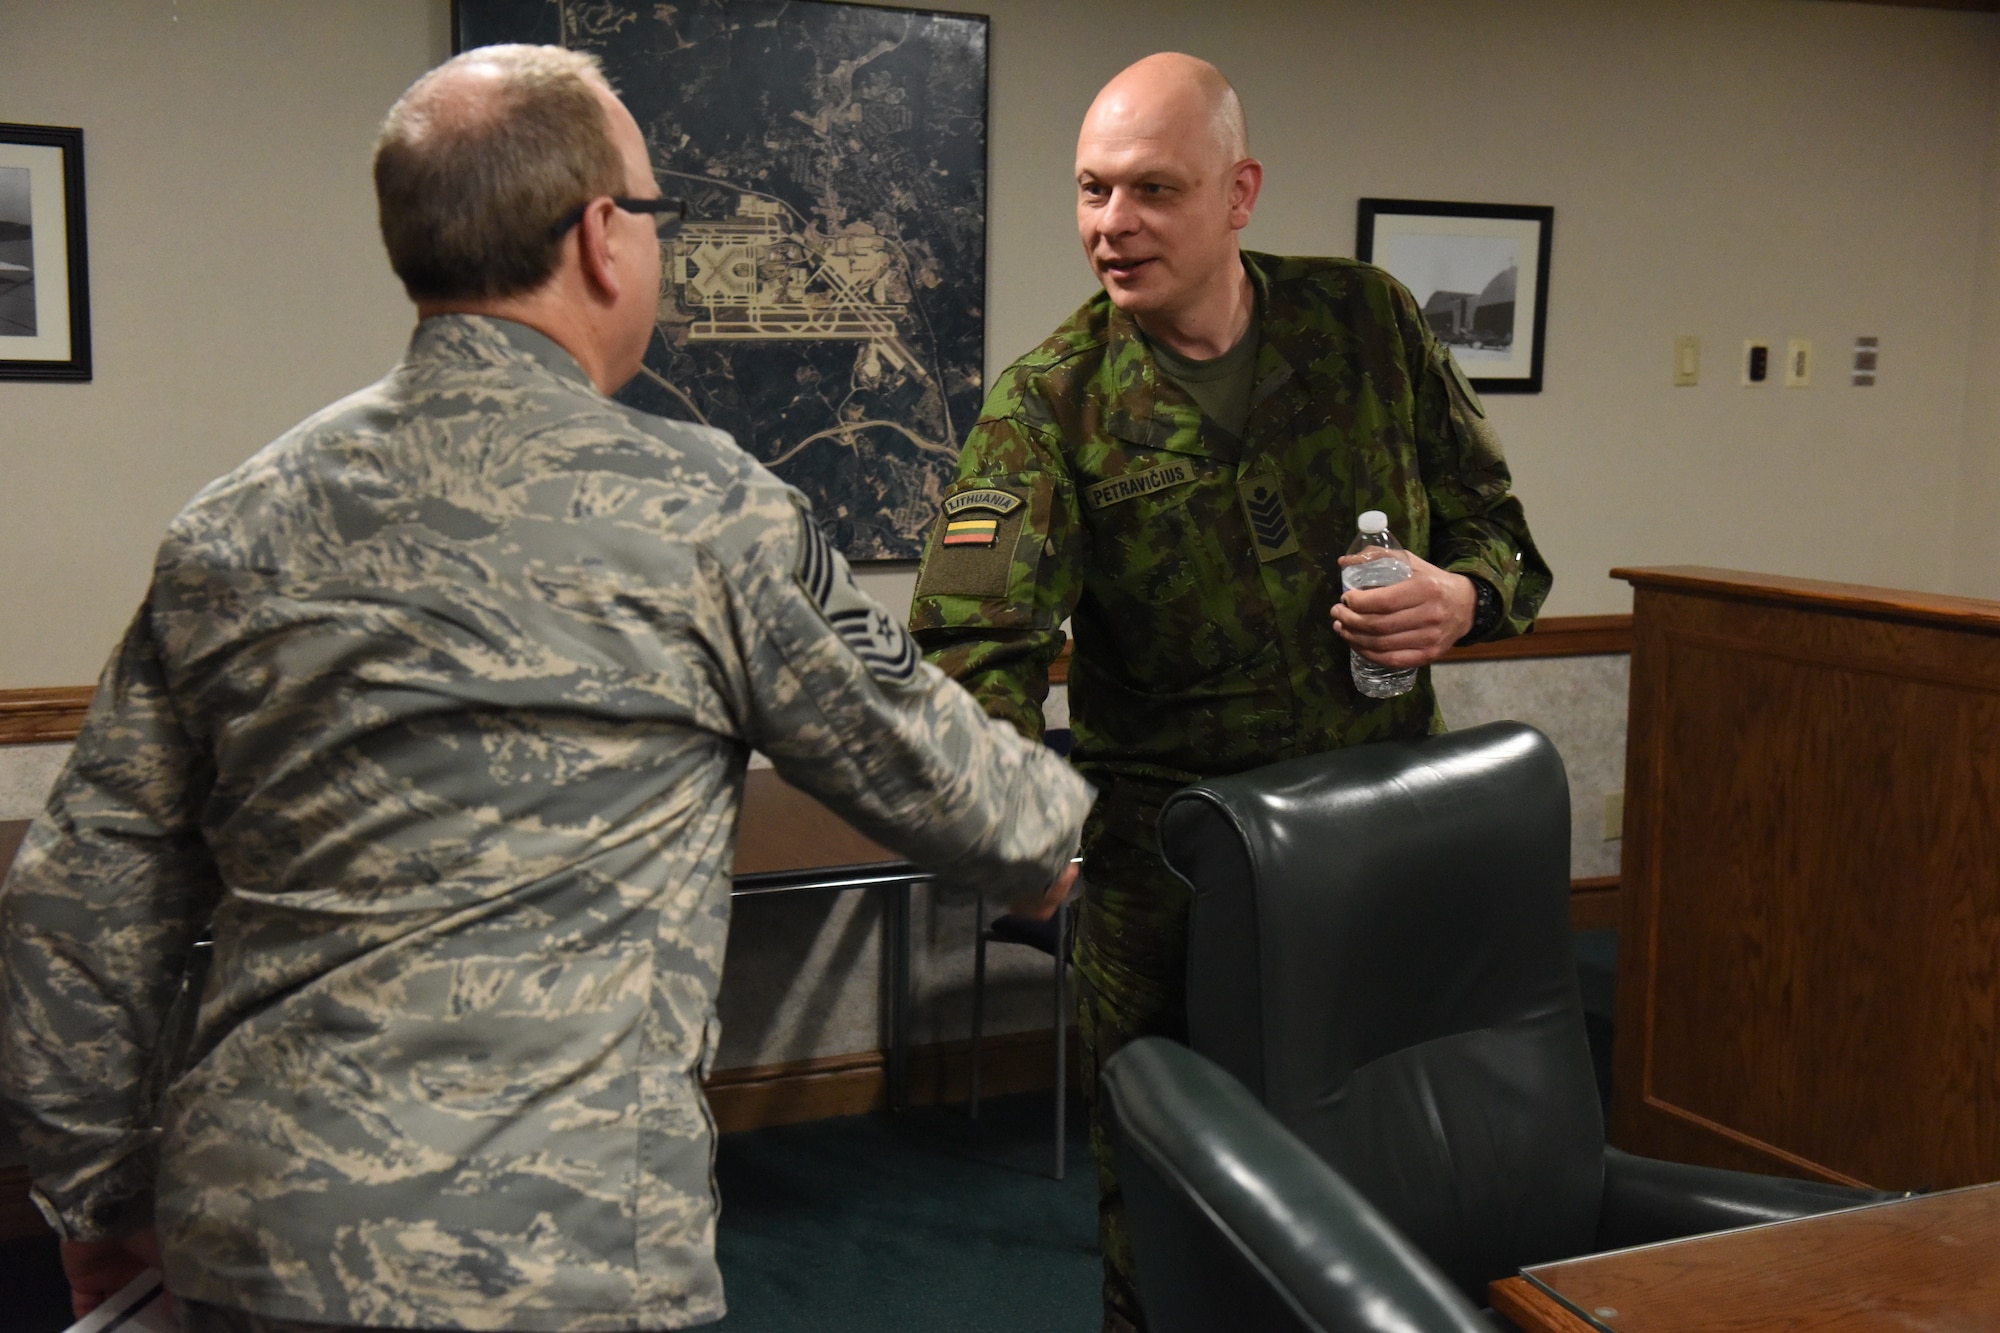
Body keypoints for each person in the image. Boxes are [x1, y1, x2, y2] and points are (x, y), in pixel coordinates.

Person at [0, 44, 1090, 1333]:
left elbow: (77, 900)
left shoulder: (230, 526)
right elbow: (975, 802)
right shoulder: (711, 515)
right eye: (653, 214)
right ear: (599, 239)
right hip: (557, 1263)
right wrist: (1067, 840)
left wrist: (100, 1190)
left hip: (254, 1239)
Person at [908, 52, 1552, 1333]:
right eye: (1091, 190)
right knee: (1176, 1224)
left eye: (1151, 189)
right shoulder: (1050, 407)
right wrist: (1019, 834)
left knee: (1388, 1187)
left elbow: (1505, 542)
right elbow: (971, 653)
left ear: (1238, 192)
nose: (1111, 225)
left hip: (1376, 848)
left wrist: (1461, 599)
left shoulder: (1363, 325)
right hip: (1175, 884)